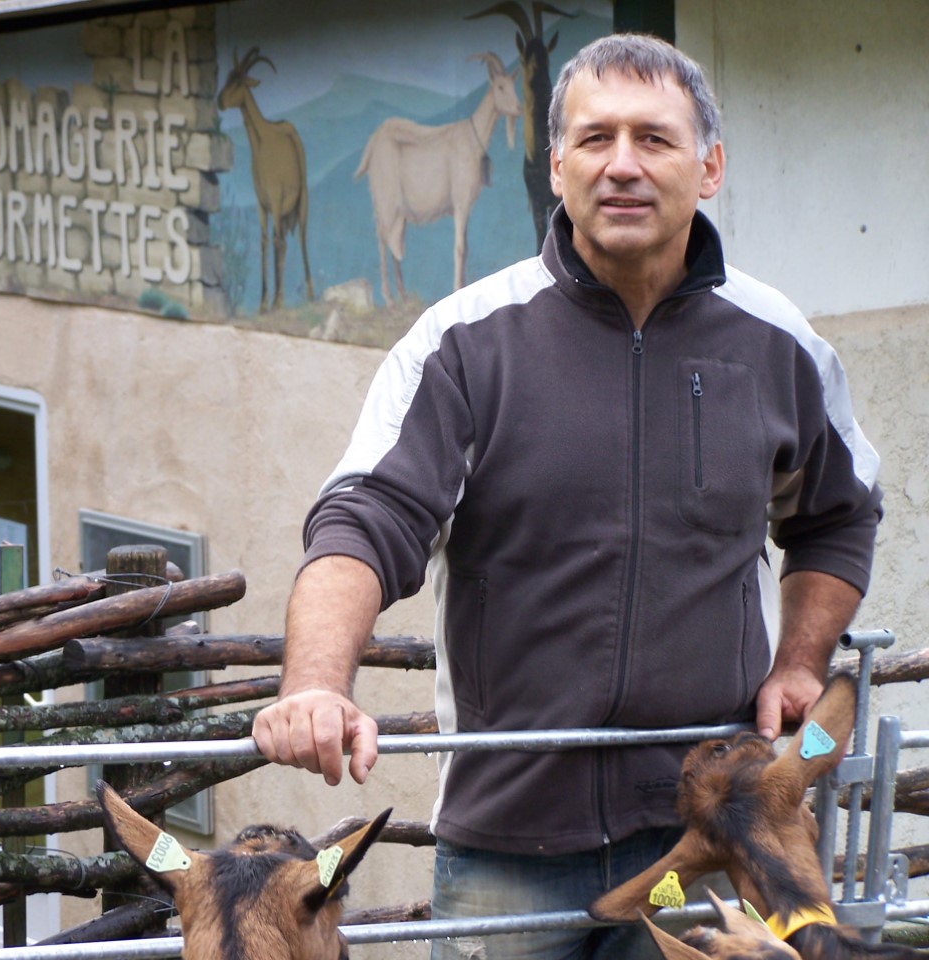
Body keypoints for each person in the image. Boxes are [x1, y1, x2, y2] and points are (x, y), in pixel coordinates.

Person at [252, 32, 883, 960]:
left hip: (694, 853)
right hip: (508, 851)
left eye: (654, 139)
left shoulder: (778, 345)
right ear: (554, 165)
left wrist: (800, 658)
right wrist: (313, 684)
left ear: (709, 166)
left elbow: (837, 515)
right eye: (593, 140)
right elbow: (364, 520)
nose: (621, 165)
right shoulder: (464, 343)